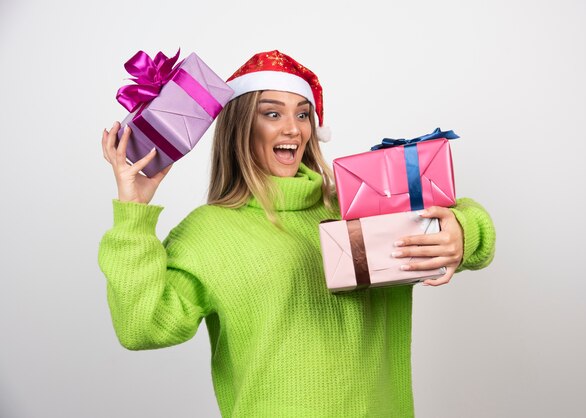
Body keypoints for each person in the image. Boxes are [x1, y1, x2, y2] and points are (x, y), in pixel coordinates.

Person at [99, 50, 496, 417]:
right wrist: (133, 213)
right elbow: (142, 327)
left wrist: (462, 233)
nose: (292, 128)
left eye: (303, 115)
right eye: (272, 114)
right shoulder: (207, 232)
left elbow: (464, 219)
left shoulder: (357, 205)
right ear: (240, 127)